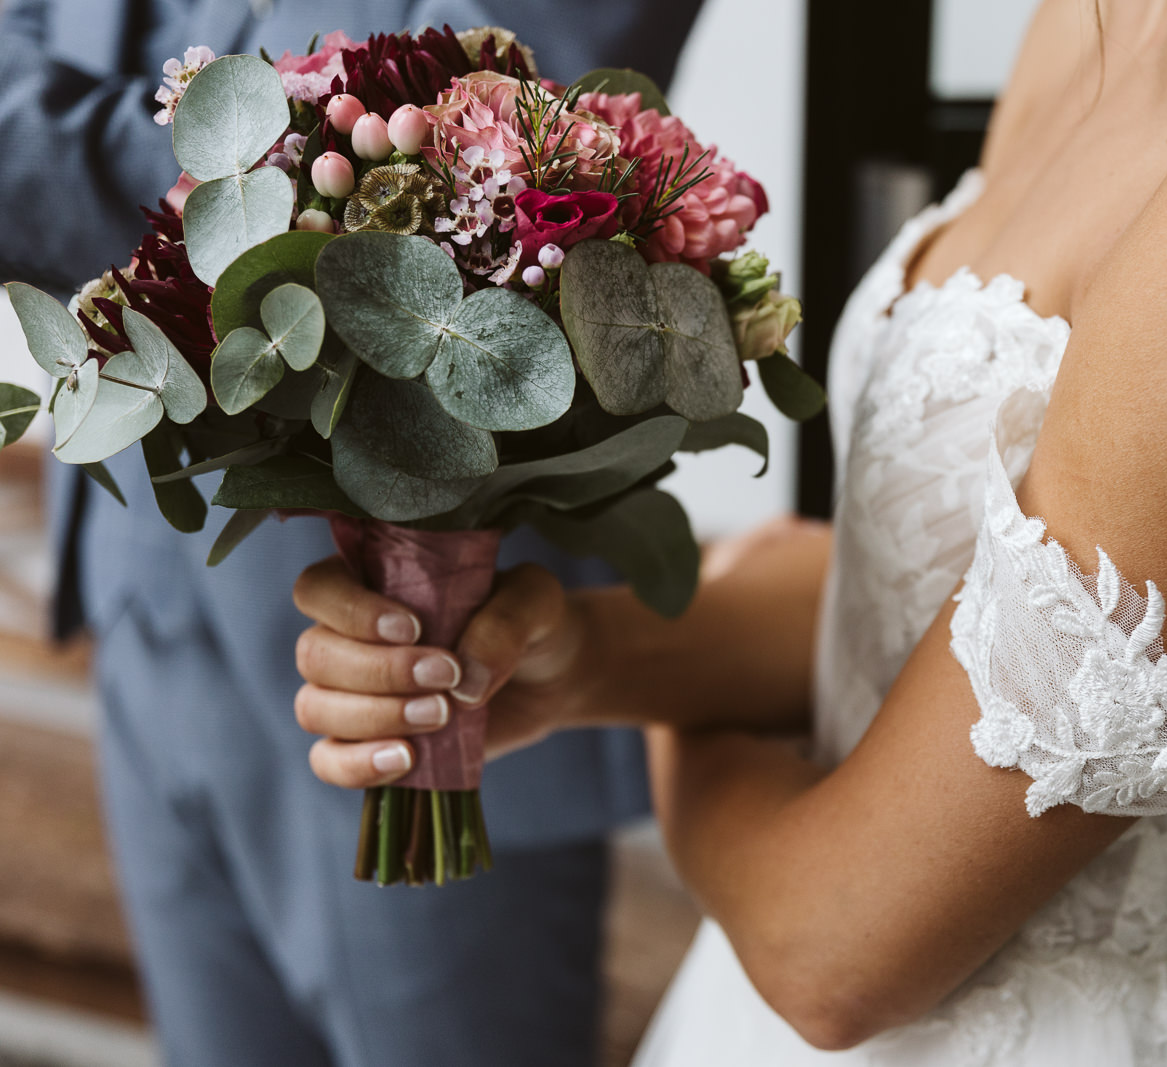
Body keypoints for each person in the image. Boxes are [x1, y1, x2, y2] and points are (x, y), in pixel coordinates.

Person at [292, 0, 1167, 1063]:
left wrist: (678, 742)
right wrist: (581, 652)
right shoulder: (1110, 17)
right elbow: (954, 598)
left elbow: (832, 953)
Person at [0, 2, 702, 1065]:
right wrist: (226, 164)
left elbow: (487, 106)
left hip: (435, 609)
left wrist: (89, 159)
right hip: (136, 566)